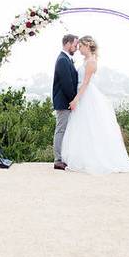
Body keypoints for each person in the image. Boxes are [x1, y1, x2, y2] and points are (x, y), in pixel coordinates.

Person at [60, 35, 129, 174]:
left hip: (86, 95)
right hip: (82, 94)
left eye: (80, 46)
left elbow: (85, 83)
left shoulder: (91, 61)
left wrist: (76, 99)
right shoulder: (86, 60)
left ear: (87, 45)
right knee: (83, 128)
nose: (79, 49)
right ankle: (83, 157)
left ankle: (94, 159)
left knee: (91, 127)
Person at [51, 34, 78, 170]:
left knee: (64, 130)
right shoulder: (62, 60)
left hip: (66, 101)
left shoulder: (67, 59)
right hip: (64, 101)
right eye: (75, 45)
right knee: (60, 130)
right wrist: (74, 99)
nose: (76, 48)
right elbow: (67, 83)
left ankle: (62, 157)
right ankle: (58, 160)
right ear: (67, 44)